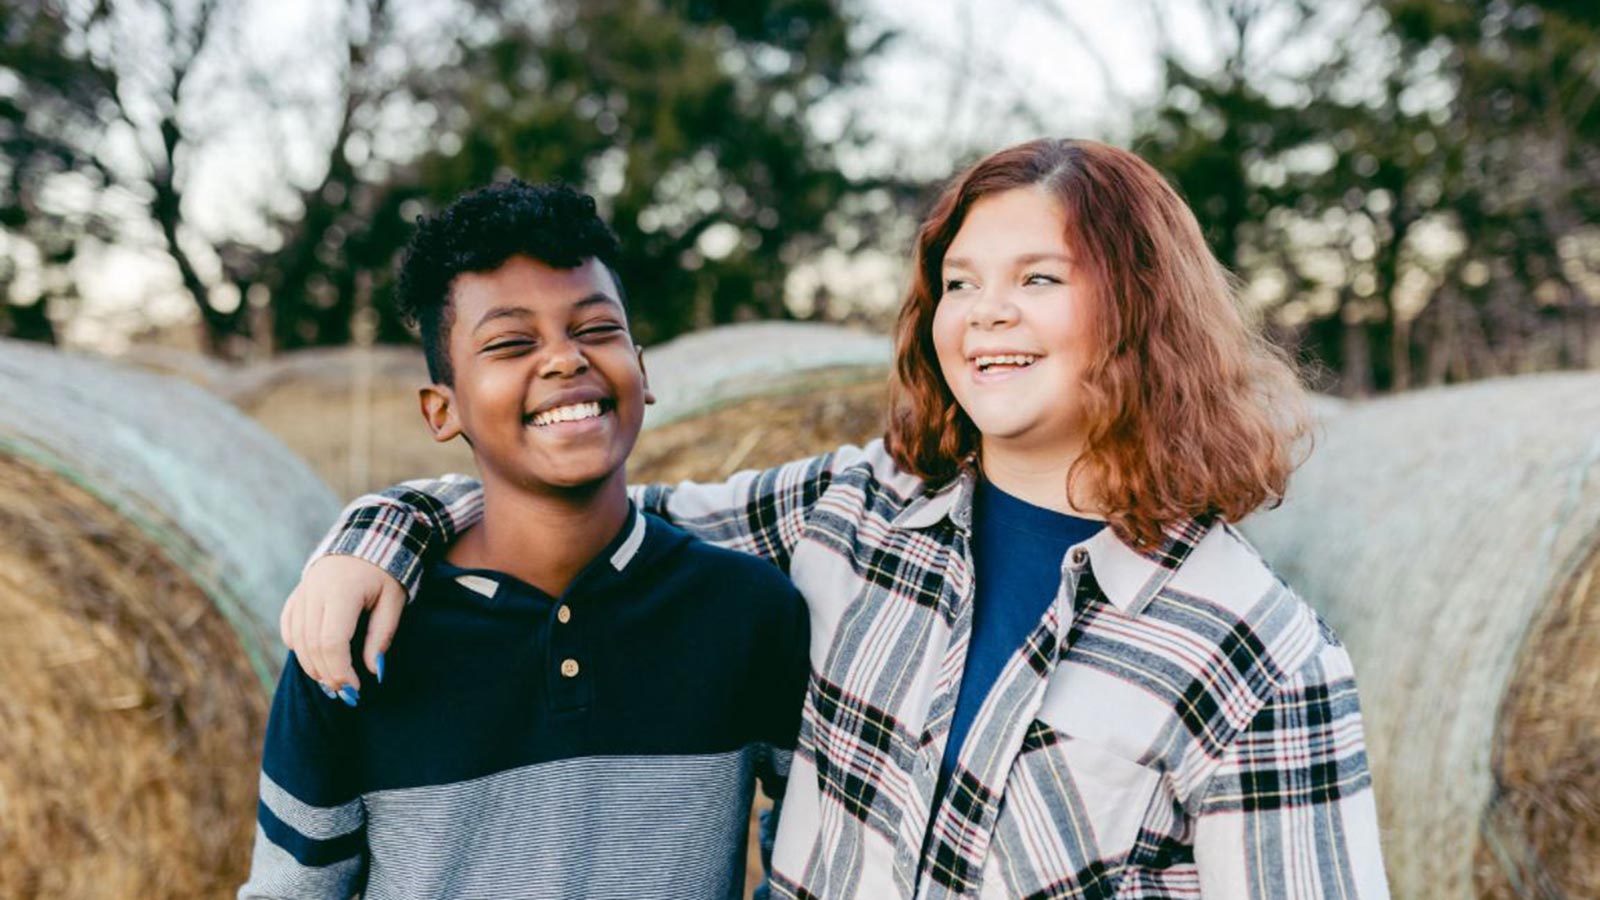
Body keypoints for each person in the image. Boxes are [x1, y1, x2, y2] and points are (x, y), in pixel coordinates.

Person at [281, 139, 1390, 898]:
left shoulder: (1257, 658)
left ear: (1141, 305)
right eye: (959, 282)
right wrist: (387, 530)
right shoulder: (852, 517)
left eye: (1039, 278)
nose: (988, 313)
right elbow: (580, 511)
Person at [240, 181, 809, 899]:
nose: (565, 360)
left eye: (597, 330)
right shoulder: (356, 636)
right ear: (442, 410)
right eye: (512, 343)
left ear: (644, 370)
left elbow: (815, 861)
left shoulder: (748, 609)